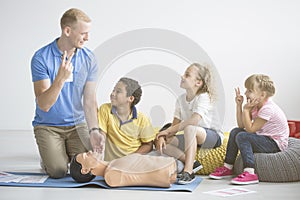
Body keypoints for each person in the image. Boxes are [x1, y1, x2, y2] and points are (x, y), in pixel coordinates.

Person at [30, 8, 104, 178]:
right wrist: (60, 79)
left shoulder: (89, 58)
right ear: (67, 31)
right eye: (83, 33)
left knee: (90, 166)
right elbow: (44, 104)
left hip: (77, 125)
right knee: (58, 171)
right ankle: (51, 157)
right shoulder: (41, 58)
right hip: (48, 126)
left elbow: (90, 100)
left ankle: (65, 153)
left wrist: (94, 130)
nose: (87, 38)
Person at [209, 74, 289, 185]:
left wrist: (246, 110)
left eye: (249, 90)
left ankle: (250, 172)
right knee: (235, 131)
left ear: (262, 95)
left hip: (274, 143)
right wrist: (239, 106)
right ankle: (228, 167)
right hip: (263, 137)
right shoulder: (255, 106)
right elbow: (241, 125)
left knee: (242, 136)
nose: (246, 93)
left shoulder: (268, 109)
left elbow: (250, 130)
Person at [155, 63, 223, 184]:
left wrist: (167, 131)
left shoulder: (203, 97)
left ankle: (189, 171)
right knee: (165, 142)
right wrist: (162, 135)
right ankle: (192, 162)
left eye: (187, 75)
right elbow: (174, 127)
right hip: (191, 134)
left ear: (198, 82)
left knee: (190, 127)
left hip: (211, 137)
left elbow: (194, 120)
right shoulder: (180, 99)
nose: (182, 76)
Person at [98, 77, 156, 161]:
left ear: (131, 98)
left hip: (132, 162)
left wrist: (131, 158)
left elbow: (148, 145)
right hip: (110, 163)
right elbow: (101, 136)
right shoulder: (105, 109)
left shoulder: (142, 119)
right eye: (113, 90)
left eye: (118, 91)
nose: (112, 94)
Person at [70, 151, 177, 188]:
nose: (89, 152)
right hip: (169, 169)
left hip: (169, 162)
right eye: (85, 156)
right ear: (85, 170)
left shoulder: (112, 165)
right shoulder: (111, 176)